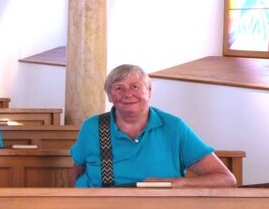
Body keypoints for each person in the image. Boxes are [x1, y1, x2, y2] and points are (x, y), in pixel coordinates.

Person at [69, 64, 236, 188]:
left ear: (149, 91)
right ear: (110, 96)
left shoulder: (174, 128)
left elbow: (226, 179)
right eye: (118, 88)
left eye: (135, 87)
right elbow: (77, 172)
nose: (127, 94)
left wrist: (177, 183)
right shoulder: (92, 127)